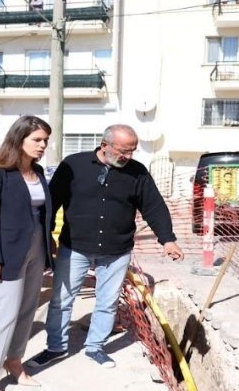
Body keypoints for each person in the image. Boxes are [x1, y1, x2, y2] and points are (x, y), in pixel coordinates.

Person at [28, 124, 184, 370]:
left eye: (132, 151)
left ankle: (95, 347)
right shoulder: (74, 165)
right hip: (75, 247)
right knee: (60, 299)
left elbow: (153, 206)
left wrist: (167, 238)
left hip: (116, 250)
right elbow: (51, 202)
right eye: (123, 151)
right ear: (104, 145)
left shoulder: (137, 172)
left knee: (107, 301)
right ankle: (56, 347)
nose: (128, 156)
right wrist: (45, 238)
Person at [0, 115, 54, 391]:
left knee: (27, 309)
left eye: (45, 140)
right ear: (18, 139)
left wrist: (47, 249)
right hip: (5, 251)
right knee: (4, 313)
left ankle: (14, 361)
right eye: (37, 139)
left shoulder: (39, 172)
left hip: (35, 248)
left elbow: (44, 214)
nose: (43, 145)